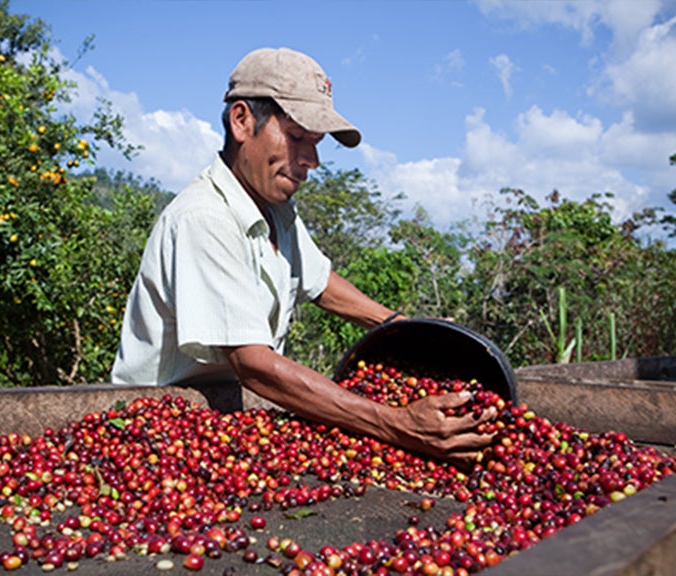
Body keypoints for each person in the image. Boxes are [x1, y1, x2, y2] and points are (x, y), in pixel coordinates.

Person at [112, 47, 494, 464]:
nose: (311, 161)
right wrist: (395, 424)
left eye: (315, 144)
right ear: (242, 121)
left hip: (226, 425)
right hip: (156, 433)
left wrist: (403, 329)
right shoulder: (205, 217)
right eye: (296, 138)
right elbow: (254, 365)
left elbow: (321, 283)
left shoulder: (274, 207)